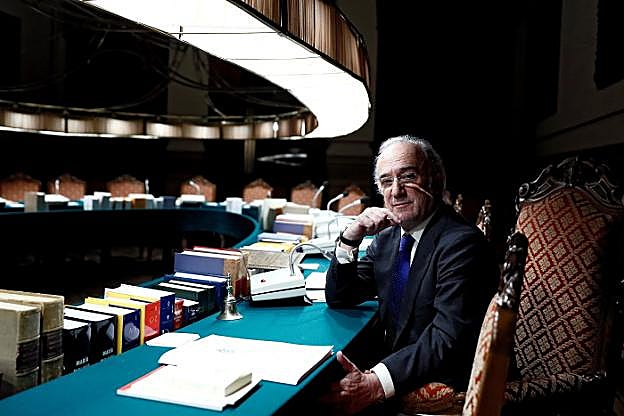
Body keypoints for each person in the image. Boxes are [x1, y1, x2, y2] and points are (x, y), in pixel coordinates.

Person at [323, 135, 499, 414]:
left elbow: (446, 339)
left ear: (436, 179)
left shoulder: (461, 244)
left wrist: (375, 383)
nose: (396, 191)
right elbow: (341, 295)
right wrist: (350, 238)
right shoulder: (389, 237)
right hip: (397, 357)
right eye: (386, 182)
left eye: (408, 177)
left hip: (441, 375)